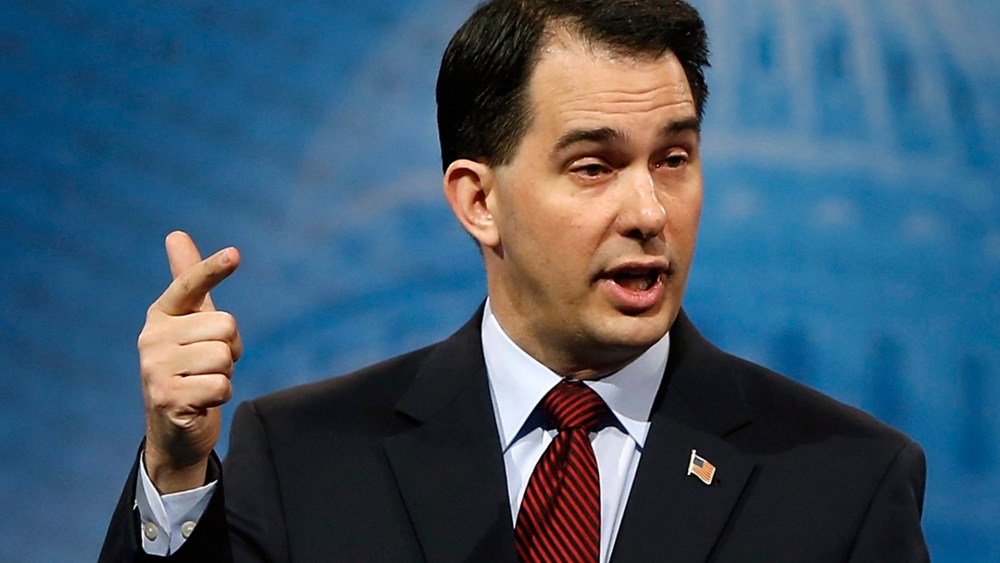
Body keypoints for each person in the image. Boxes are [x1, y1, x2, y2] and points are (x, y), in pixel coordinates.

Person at [100, 1, 930, 561]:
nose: (649, 209)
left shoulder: (845, 480)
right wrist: (176, 472)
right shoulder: (307, 454)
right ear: (479, 200)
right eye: (594, 166)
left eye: (674, 159)